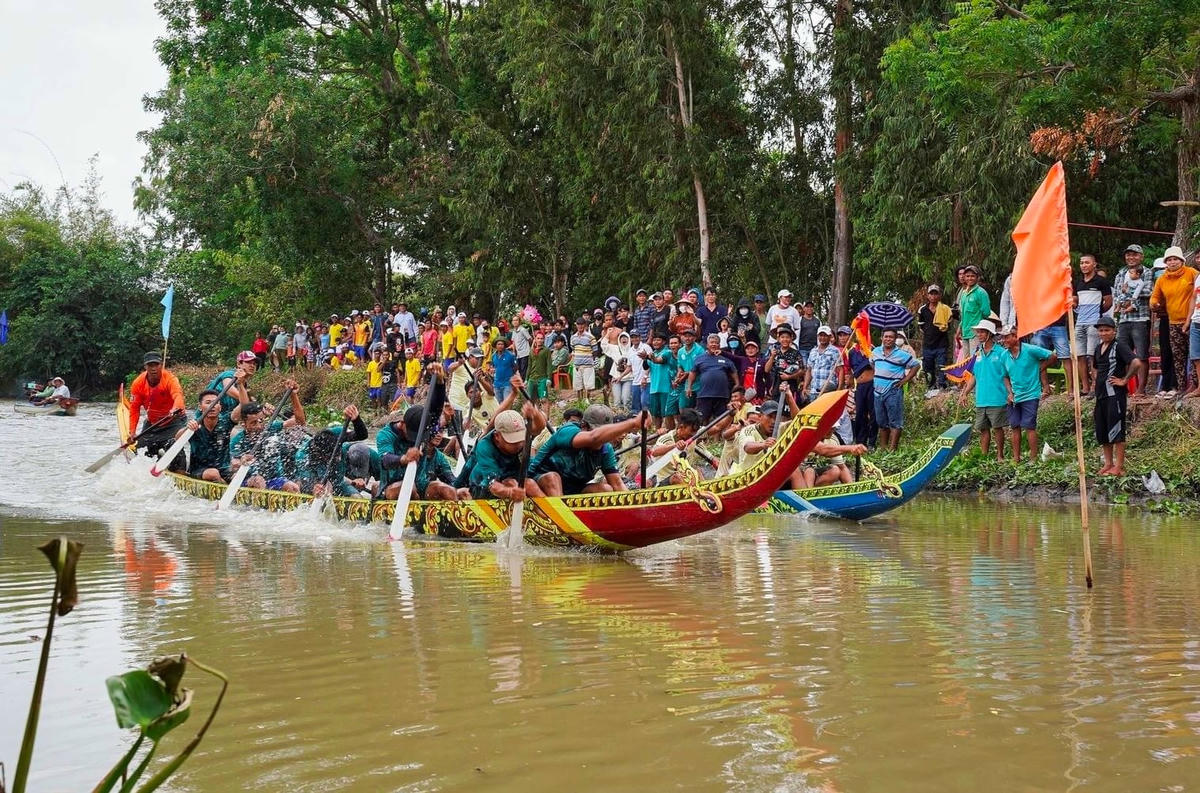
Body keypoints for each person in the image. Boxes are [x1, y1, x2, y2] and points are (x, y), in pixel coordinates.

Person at [531, 404, 645, 495]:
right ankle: (560, 521)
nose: (602, 440)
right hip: (537, 483)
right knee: (553, 478)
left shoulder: (606, 450)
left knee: (606, 489)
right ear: (584, 426)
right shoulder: (568, 431)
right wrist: (633, 423)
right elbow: (594, 437)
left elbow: (617, 484)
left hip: (572, 491)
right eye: (599, 432)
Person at [229, 380, 307, 492]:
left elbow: (300, 422)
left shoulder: (271, 428)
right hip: (248, 480)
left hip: (273, 479)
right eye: (253, 423)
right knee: (258, 481)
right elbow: (233, 464)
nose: (259, 426)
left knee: (292, 487)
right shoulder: (238, 439)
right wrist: (242, 461)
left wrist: (293, 395)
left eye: (261, 421)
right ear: (243, 424)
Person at [464, 405, 547, 501]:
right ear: (497, 436)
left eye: (520, 439)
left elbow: (540, 427)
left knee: (531, 484)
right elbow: (493, 485)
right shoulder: (484, 447)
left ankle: (552, 513)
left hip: (511, 476)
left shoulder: (522, 432)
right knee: (512, 483)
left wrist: (535, 413)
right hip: (482, 486)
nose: (519, 444)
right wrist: (510, 492)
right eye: (512, 441)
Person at [998, 325, 1055, 463]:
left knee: (1029, 426)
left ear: (1016, 337)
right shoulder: (1004, 355)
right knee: (1014, 426)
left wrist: (1040, 369)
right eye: (1002, 337)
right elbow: (1005, 376)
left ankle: (1033, 458)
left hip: (1031, 394)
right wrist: (1009, 392)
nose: (1003, 340)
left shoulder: (1030, 350)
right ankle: (1016, 457)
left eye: (1006, 337)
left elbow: (1052, 356)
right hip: (1015, 396)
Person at [1093, 316, 1141, 475]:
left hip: (1115, 395)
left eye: (1107, 330)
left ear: (1114, 331)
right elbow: (1095, 368)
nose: (1104, 333)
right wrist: (1095, 382)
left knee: (1117, 430)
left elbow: (1136, 363)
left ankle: (1119, 466)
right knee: (1103, 429)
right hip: (1101, 395)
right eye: (1101, 330)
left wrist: (1124, 380)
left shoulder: (1119, 346)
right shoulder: (1098, 348)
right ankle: (1108, 463)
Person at [957, 319, 1008, 460]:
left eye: (981, 332)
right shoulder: (977, 352)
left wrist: (1010, 393)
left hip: (997, 397)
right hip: (981, 398)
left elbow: (1008, 374)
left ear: (989, 334)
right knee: (983, 429)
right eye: (978, 332)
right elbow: (974, 376)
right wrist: (965, 393)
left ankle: (1000, 455)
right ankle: (984, 456)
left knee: (998, 428)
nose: (978, 334)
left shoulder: (1001, 352)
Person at [1150, 246, 1197, 398]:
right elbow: (1154, 297)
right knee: (1178, 356)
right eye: (1169, 260)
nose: (1172, 262)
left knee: (1195, 355)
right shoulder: (1162, 278)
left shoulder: (1192, 273)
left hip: (1193, 320)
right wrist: (1154, 304)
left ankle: (1196, 386)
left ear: (1182, 260)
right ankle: (1179, 387)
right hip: (1173, 321)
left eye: (1175, 259)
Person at [294, 405, 369, 496]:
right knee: (325, 491)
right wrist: (314, 488)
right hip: (312, 482)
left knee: (357, 498)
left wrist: (356, 419)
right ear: (320, 455)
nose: (337, 458)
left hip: (338, 482)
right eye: (330, 456)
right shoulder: (302, 456)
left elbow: (362, 435)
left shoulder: (337, 434)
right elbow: (307, 481)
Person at [127, 351, 188, 461]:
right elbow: (134, 409)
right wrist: (132, 432)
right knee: (140, 452)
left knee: (173, 447)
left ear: (161, 365)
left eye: (156, 364)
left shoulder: (170, 379)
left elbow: (178, 396)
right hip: (153, 423)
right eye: (150, 365)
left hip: (174, 420)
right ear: (145, 366)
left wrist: (175, 409)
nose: (153, 368)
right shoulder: (138, 383)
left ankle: (179, 469)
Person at [180, 385, 246, 483]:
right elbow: (177, 438)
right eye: (208, 403)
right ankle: (224, 486)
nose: (212, 406)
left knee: (240, 473)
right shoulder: (195, 425)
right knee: (213, 473)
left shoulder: (227, 421)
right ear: (200, 407)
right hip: (199, 471)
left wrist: (240, 384)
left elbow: (244, 405)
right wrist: (187, 429)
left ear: (220, 407)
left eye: (215, 403)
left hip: (224, 469)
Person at [1071, 253, 1113, 396]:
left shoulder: (1101, 281)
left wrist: (1099, 314)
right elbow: (1075, 300)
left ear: (1094, 264)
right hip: (1079, 322)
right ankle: (1085, 387)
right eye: (1082, 263)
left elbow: (1108, 301)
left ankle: (1096, 386)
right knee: (1080, 355)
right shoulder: (1078, 282)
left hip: (1093, 322)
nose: (1083, 265)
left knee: (1092, 355)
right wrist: (1073, 303)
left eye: (1087, 262)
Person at [871, 329, 920, 451]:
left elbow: (916, 365)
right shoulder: (875, 351)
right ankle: (883, 449)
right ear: (882, 338)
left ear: (895, 339)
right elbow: (872, 364)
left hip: (893, 390)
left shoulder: (902, 354)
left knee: (895, 422)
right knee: (881, 422)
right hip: (877, 391)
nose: (888, 339)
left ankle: (893, 450)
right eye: (886, 336)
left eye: (891, 337)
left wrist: (905, 380)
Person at [648, 407, 713, 485]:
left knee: (697, 470)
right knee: (677, 477)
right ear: (682, 427)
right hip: (664, 482)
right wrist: (675, 446)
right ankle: (696, 493)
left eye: (695, 431)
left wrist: (730, 414)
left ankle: (704, 490)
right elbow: (654, 452)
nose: (693, 434)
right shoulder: (666, 438)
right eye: (691, 431)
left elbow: (718, 427)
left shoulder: (694, 435)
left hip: (685, 478)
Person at [1114, 256, 1151, 387]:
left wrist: (1130, 291)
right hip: (1123, 319)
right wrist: (1119, 304)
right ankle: (1122, 387)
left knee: (1141, 354)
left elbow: (1148, 292)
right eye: (1128, 254)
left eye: (1134, 254)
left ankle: (1141, 389)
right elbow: (1117, 293)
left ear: (1141, 256)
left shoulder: (1146, 272)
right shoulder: (1120, 273)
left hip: (1140, 318)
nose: (1131, 257)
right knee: (1121, 353)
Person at [688, 333, 738, 422]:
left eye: (716, 343)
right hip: (704, 394)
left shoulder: (725, 358)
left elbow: (733, 371)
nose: (714, 344)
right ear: (707, 345)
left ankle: (717, 436)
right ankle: (703, 436)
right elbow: (693, 373)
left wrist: (737, 383)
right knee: (702, 420)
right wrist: (689, 387)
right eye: (711, 342)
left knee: (720, 419)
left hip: (722, 395)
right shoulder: (699, 358)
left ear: (719, 345)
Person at [955, 265, 991, 356]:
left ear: (977, 277)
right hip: (965, 332)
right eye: (967, 276)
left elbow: (986, 313)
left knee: (975, 359)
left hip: (976, 333)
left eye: (972, 276)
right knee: (966, 362)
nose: (970, 278)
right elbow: (963, 315)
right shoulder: (964, 293)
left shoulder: (981, 293)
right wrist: (959, 331)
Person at [645, 333, 678, 430]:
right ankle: (658, 432)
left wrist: (649, 357)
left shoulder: (667, 352)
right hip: (653, 388)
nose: (655, 342)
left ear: (664, 342)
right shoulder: (652, 353)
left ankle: (669, 432)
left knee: (667, 414)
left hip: (665, 387)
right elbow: (646, 367)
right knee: (655, 414)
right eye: (654, 340)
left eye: (658, 340)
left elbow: (659, 361)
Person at [764, 323, 804, 400]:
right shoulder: (774, 351)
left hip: (791, 385)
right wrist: (772, 357)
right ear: (778, 339)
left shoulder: (796, 353)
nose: (785, 339)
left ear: (791, 339)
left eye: (787, 337)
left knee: (788, 408)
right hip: (776, 385)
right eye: (782, 337)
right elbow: (766, 370)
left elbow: (802, 370)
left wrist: (789, 376)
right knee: (775, 408)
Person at [802, 325, 841, 401]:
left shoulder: (835, 351)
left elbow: (840, 370)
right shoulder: (813, 351)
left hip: (828, 391)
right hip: (813, 391)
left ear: (830, 337)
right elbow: (809, 370)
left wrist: (839, 389)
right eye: (821, 335)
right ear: (817, 336)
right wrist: (805, 387)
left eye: (825, 336)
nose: (823, 338)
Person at [570, 316, 597, 400]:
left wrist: (592, 360)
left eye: (582, 324)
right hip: (577, 365)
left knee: (588, 385)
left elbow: (595, 350)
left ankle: (587, 401)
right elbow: (573, 348)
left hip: (588, 365)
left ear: (585, 325)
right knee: (578, 385)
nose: (580, 326)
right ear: (576, 325)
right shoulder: (573, 337)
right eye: (578, 324)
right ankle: (579, 401)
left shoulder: (590, 336)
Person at [675, 328, 702, 410]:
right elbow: (680, 366)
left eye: (690, 336)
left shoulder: (700, 350)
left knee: (699, 410)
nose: (687, 338)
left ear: (694, 338)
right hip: (687, 385)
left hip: (699, 384)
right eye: (685, 336)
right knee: (682, 408)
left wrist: (687, 374)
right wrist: (679, 375)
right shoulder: (680, 351)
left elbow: (700, 368)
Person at [491, 337, 518, 402]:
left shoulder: (510, 355)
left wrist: (512, 377)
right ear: (496, 346)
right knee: (498, 405)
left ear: (505, 345)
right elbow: (494, 367)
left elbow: (515, 367)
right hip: (497, 384)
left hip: (507, 384)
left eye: (502, 344)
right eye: (498, 344)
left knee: (506, 403)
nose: (500, 346)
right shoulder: (493, 356)